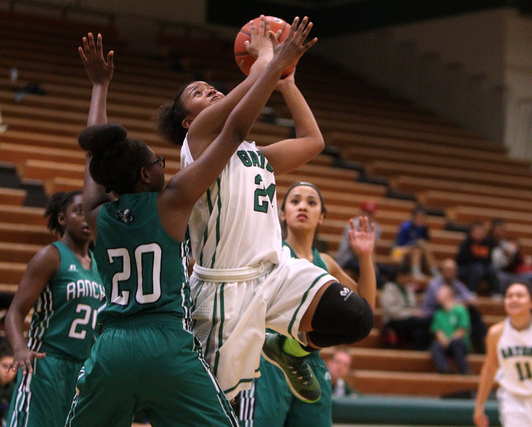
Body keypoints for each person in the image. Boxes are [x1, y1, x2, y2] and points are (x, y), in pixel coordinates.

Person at [66, 19, 313, 425]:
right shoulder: (172, 201)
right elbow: (233, 131)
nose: (165, 165)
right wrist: (272, 64)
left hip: (111, 346)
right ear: (146, 176)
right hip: (167, 342)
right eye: (158, 162)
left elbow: (95, 155)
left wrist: (98, 86)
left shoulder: (96, 214)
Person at [154, 17, 373, 404]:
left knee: (357, 318)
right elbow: (241, 115)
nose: (210, 90)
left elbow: (312, 141)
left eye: (211, 87)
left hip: (276, 273)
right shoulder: (198, 143)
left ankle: (289, 351)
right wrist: (270, 56)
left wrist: (286, 83)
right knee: (217, 407)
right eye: (198, 93)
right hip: (225, 288)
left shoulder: (257, 156)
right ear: (189, 119)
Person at [238, 182, 376, 426]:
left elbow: (366, 309)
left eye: (311, 203)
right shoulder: (270, 253)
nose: (303, 206)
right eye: (295, 201)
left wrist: (365, 256)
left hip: (310, 364)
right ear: (282, 214)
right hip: (266, 362)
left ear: (321, 217)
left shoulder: (327, 263)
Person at [5, 191, 105, 427]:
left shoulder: (99, 264)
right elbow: (15, 312)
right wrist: (20, 349)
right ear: (62, 219)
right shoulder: (50, 256)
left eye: (88, 213)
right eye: (78, 212)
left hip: (83, 367)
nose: (85, 219)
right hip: (46, 363)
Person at [473, 281, 532, 427]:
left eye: (520, 295)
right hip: (513, 398)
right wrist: (479, 406)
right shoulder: (496, 333)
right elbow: (490, 368)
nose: (514, 299)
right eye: (509, 296)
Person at [422, 258, 487, 353]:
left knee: (473, 312)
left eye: (452, 271)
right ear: (442, 271)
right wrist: (463, 302)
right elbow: (443, 301)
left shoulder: (457, 284)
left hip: (450, 312)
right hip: (433, 313)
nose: (449, 273)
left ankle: (481, 342)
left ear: (456, 272)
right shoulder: (434, 284)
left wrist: (465, 302)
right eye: (447, 271)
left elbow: (470, 298)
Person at [335, 200, 390, 287]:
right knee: (370, 272)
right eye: (367, 213)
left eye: (371, 213)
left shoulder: (376, 227)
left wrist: (373, 264)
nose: (368, 216)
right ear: (361, 212)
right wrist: (370, 265)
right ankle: (384, 286)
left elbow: (373, 249)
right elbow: (356, 250)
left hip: (363, 257)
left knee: (388, 270)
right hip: (347, 259)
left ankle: (386, 286)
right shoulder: (353, 224)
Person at [380, 264, 431, 350]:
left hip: (408, 321)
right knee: (426, 321)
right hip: (394, 321)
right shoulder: (389, 288)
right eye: (406, 276)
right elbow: (392, 311)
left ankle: (418, 356)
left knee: (420, 332)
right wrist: (411, 313)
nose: (408, 278)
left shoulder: (408, 289)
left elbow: (413, 306)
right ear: (399, 276)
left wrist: (416, 311)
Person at [429, 285, 472, 375]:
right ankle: (445, 369)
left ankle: (465, 370)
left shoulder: (460, 310)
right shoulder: (439, 313)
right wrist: (443, 340)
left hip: (459, 343)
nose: (438, 295)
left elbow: (462, 329)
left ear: (449, 294)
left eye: (440, 293)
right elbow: (437, 330)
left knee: (456, 343)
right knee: (436, 346)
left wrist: (450, 340)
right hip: (446, 344)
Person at [391, 206, 438, 280]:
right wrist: (415, 244)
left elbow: (426, 242)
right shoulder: (406, 227)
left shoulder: (423, 228)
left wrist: (420, 243)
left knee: (426, 249)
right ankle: (416, 273)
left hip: (415, 250)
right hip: (400, 250)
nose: (421, 219)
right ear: (413, 217)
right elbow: (401, 244)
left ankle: (435, 272)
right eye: (419, 217)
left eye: (423, 217)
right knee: (417, 250)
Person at [456, 222, 501, 297]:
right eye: (476, 232)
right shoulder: (466, 243)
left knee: (492, 269)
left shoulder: (488, 243)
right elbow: (462, 259)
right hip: (465, 268)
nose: (478, 234)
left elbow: (489, 260)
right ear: (471, 233)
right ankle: (471, 291)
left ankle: (495, 293)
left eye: (480, 232)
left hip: (481, 267)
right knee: (477, 268)